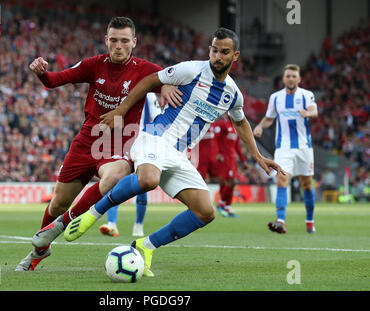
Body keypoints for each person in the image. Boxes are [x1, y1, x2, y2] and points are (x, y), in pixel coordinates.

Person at [63, 28, 285, 277]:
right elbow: (150, 80)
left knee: (205, 212)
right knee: (148, 179)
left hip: (178, 154)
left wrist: (257, 156)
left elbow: (241, 122)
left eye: (224, 52)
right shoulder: (191, 70)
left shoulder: (232, 94)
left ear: (235, 56)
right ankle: (93, 214)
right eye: (214, 50)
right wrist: (122, 110)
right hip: (155, 138)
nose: (217, 56)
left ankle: (145, 247)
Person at [15, 17, 178, 271]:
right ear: (106, 40)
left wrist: (166, 84)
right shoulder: (94, 65)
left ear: (134, 42)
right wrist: (42, 73)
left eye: (125, 41)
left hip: (119, 145)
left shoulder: (145, 69)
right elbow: (55, 80)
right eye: (113, 40)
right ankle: (39, 252)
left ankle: (61, 224)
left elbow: (171, 76)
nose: (118, 46)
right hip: (86, 143)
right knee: (57, 203)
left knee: (114, 176)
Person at [253, 64, 318, 234]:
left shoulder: (306, 95)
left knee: (307, 185)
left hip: (304, 147)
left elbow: (314, 111)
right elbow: (269, 118)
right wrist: (260, 126)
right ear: (283, 79)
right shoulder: (276, 98)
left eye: (293, 76)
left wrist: (307, 114)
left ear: (299, 79)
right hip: (283, 147)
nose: (290, 78)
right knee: (282, 180)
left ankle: (310, 220)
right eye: (287, 76)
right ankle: (281, 220)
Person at [99, 93, 162, 237]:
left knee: (141, 184)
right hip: (122, 141)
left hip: (142, 143)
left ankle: (138, 224)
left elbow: (158, 118)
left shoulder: (149, 95)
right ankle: (111, 224)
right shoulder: (121, 90)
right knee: (115, 180)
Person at [213, 115, 248, 218]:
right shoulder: (222, 124)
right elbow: (214, 139)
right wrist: (217, 153)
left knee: (228, 183)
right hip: (224, 159)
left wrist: (243, 161)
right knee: (230, 182)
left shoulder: (235, 127)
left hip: (232, 160)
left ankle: (226, 207)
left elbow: (237, 146)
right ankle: (222, 204)